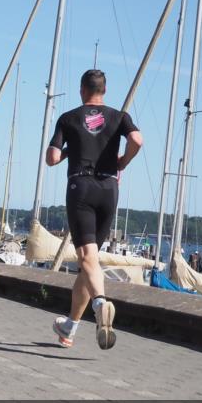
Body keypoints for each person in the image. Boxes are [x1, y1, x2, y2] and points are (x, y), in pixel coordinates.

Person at [46, 69, 143, 350]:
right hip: (109, 189)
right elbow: (137, 140)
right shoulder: (119, 116)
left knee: (87, 257)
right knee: (89, 265)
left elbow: (51, 158)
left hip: (82, 187)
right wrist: (122, 161)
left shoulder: (69, 117)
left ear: (82, 90)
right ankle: (69, 328)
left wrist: (68, 149)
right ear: (105, 90)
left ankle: (100, 303)